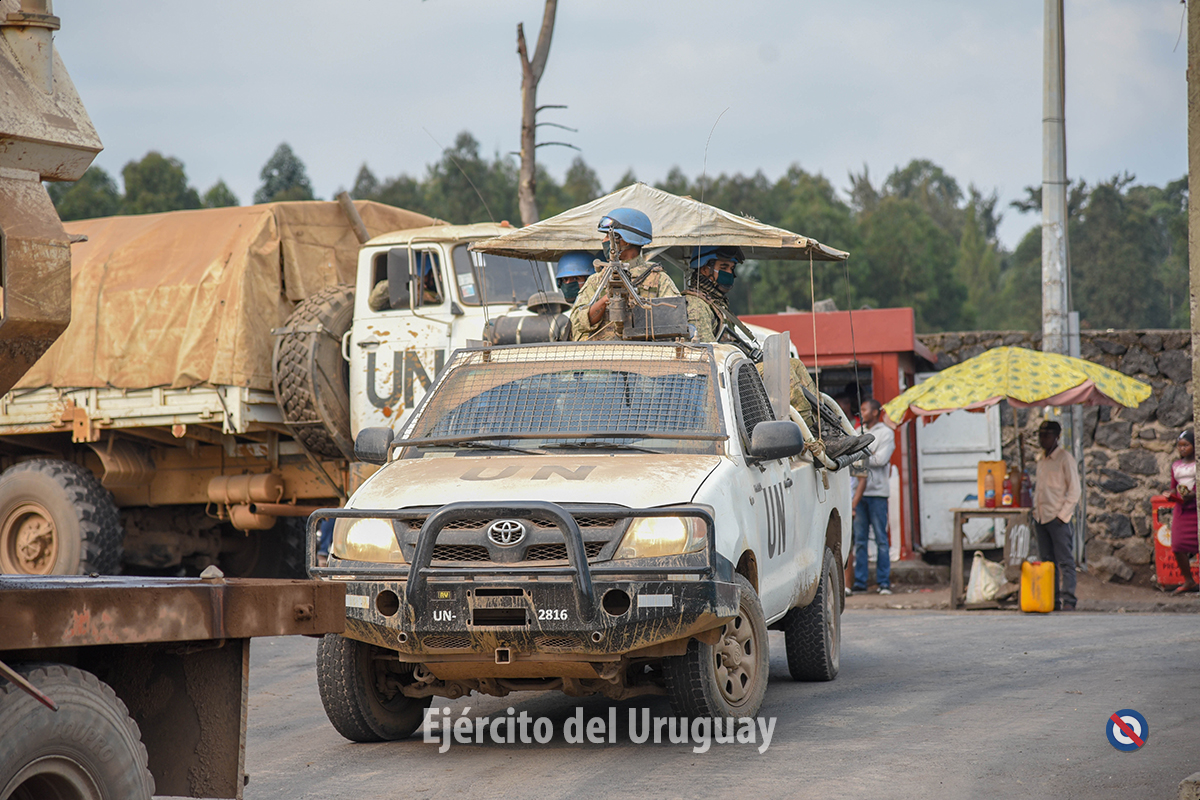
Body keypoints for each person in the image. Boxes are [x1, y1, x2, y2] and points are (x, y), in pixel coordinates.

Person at [568, 208, 679, 341]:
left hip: (645, 357)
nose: (604, 241)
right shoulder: (596, 280)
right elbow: (577, 325)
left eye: (607, 236)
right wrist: (605, 300)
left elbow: (676, 323)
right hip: (600, 358)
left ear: (625, 241)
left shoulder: (659, 280)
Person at [1032, 419, 1081, 611]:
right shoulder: (1041, 459)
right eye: (1041, 435)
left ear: (1057, 437)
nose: (1043, 439)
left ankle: (1069, 599)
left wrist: (1063, 515)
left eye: (1047, 435)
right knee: (1047, 561)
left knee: (1065, 560)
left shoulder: (1065, 459)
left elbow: (1075, 490)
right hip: (1041, 516)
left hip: (1057, 517)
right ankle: (1052, 599)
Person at [850, 398, 894, 595]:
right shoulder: (858, 431)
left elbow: (881, 459)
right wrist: (866, 454)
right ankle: (861, 581)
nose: (862, 412)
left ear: (875, 412)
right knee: (860, 540)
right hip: (859, 495)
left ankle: (884, 582)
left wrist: (861, 455)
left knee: (880, 539)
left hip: (877, 493)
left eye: (865, 409)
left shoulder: (885, 433)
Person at [1168, 429, 1197, 594]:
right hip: (1182, 509)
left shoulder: (1197, 464)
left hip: (1195, 509)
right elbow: (1173, 487)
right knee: (1178, 545)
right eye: (1180, 446)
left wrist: (1191, 495)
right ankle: (1188, 580)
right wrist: (1171, 496)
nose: (1182, 449)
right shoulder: (1176, 466)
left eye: (1186, 445)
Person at [368, 252, 442, 312]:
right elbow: (374, 303)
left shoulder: (437, 293)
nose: (440, 278)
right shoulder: (403, 288)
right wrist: (404, 281)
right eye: (437, 274)